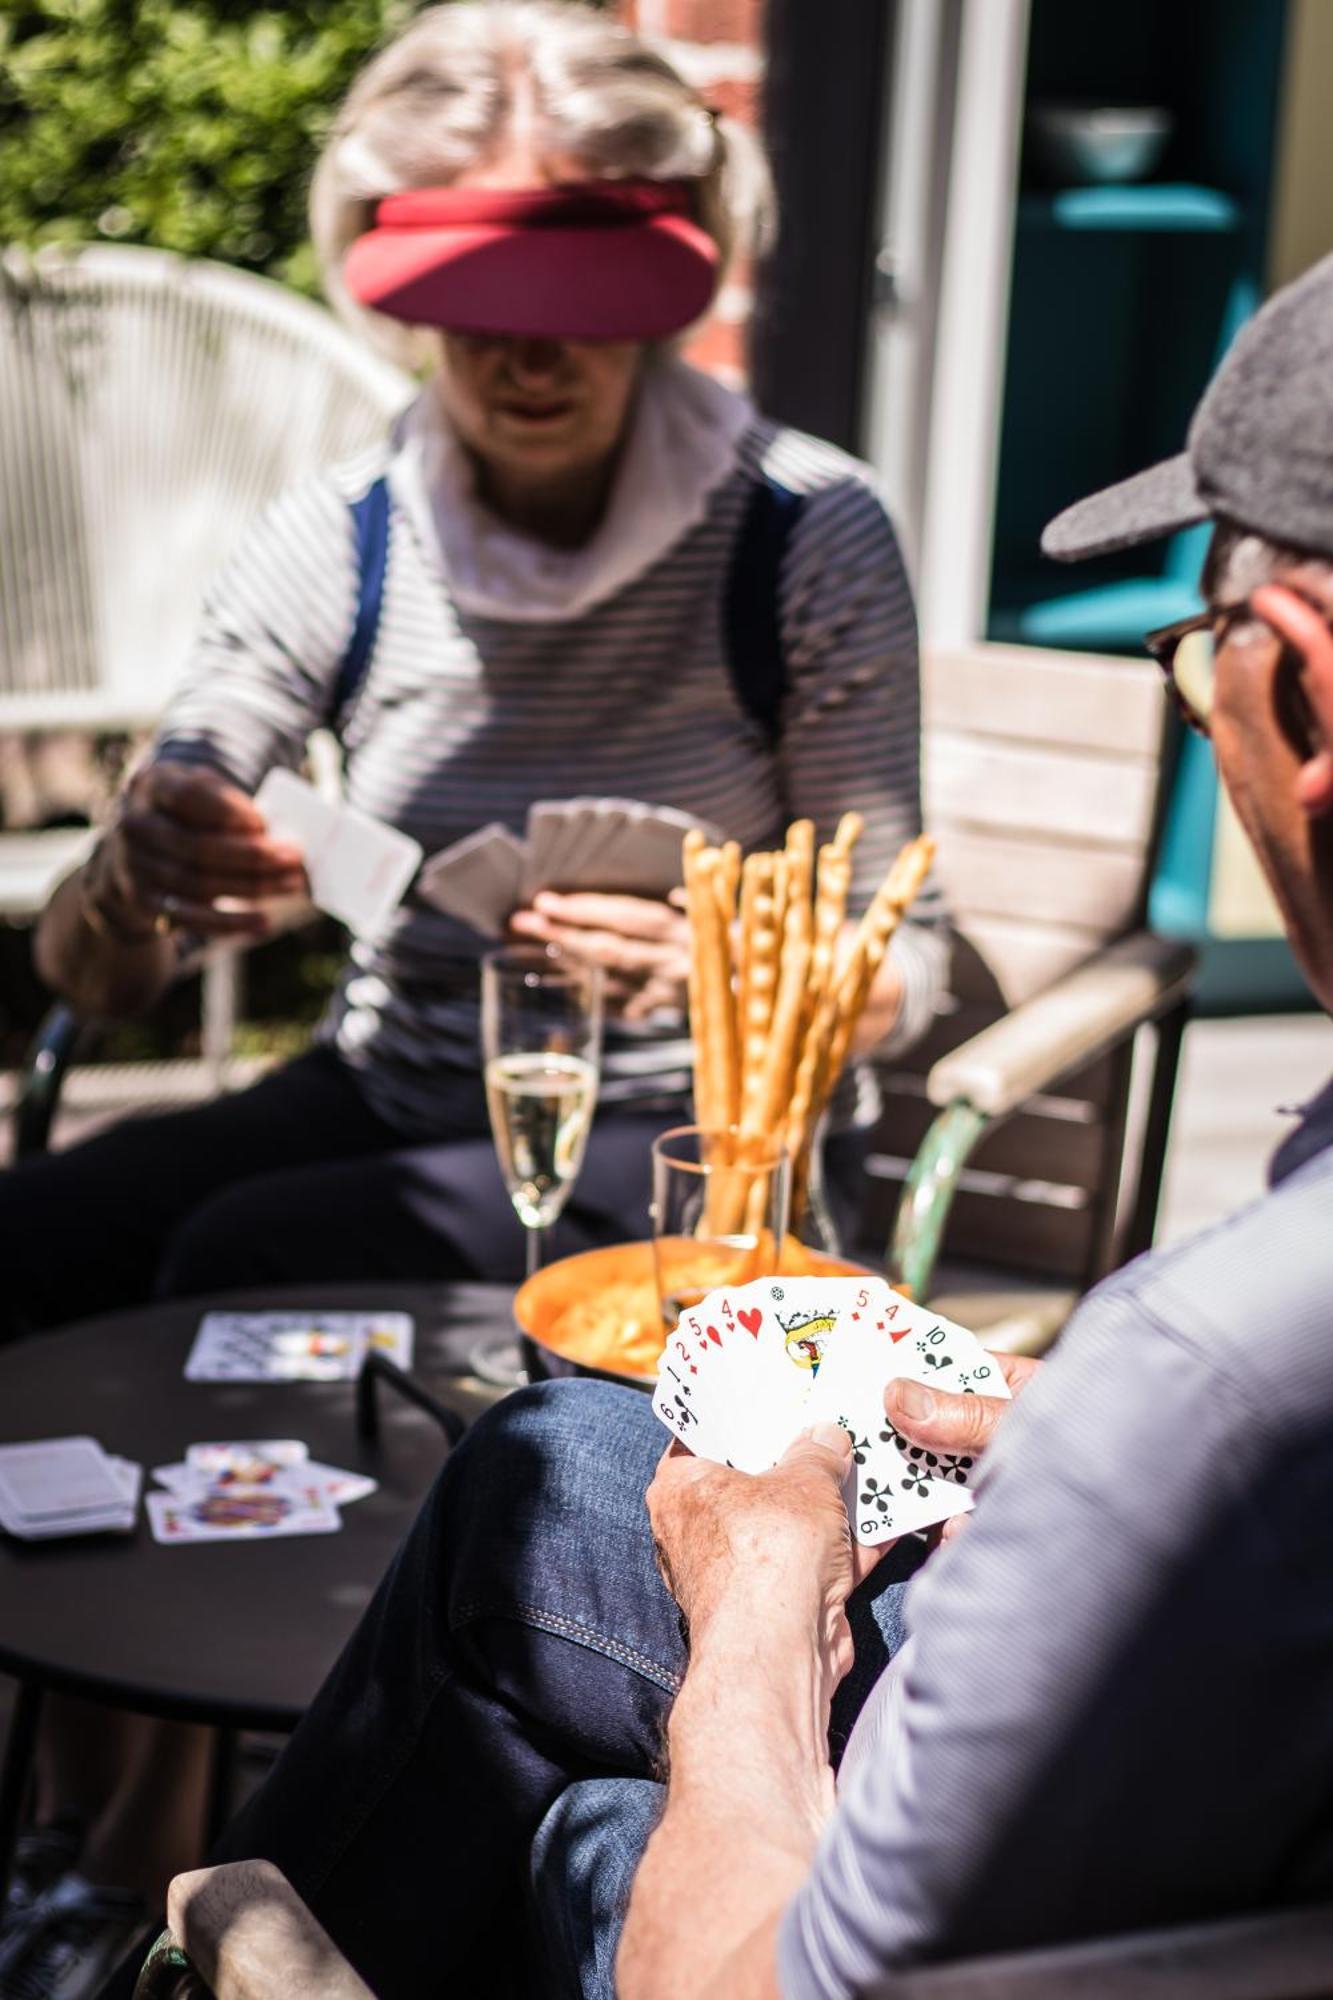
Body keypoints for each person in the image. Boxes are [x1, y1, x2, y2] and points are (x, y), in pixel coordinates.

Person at [178, 249, 1333, 2000]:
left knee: (563, 1801)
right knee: (542, 1469)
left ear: (1306, 694)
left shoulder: (1221, 1366)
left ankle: (204, 1944)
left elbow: (743, 1983)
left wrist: (760, 1597)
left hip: (1064, 1861)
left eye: (1194, 663)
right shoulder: (1217, 1375)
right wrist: (1083, 1438)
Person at [0, 8, 947, 1984]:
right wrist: (139, 868)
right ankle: (107, 1805)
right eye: (472, 305)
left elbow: (907, 952)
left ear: (675, 267)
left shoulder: (802, 532)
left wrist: (725, 950)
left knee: (243, 1239)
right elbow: (90, 963)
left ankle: (205, 1866)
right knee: (58, 1230)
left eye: (582, 302)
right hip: (405, 1078)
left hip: (703, 1149)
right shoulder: (340, 540)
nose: (524, 355)